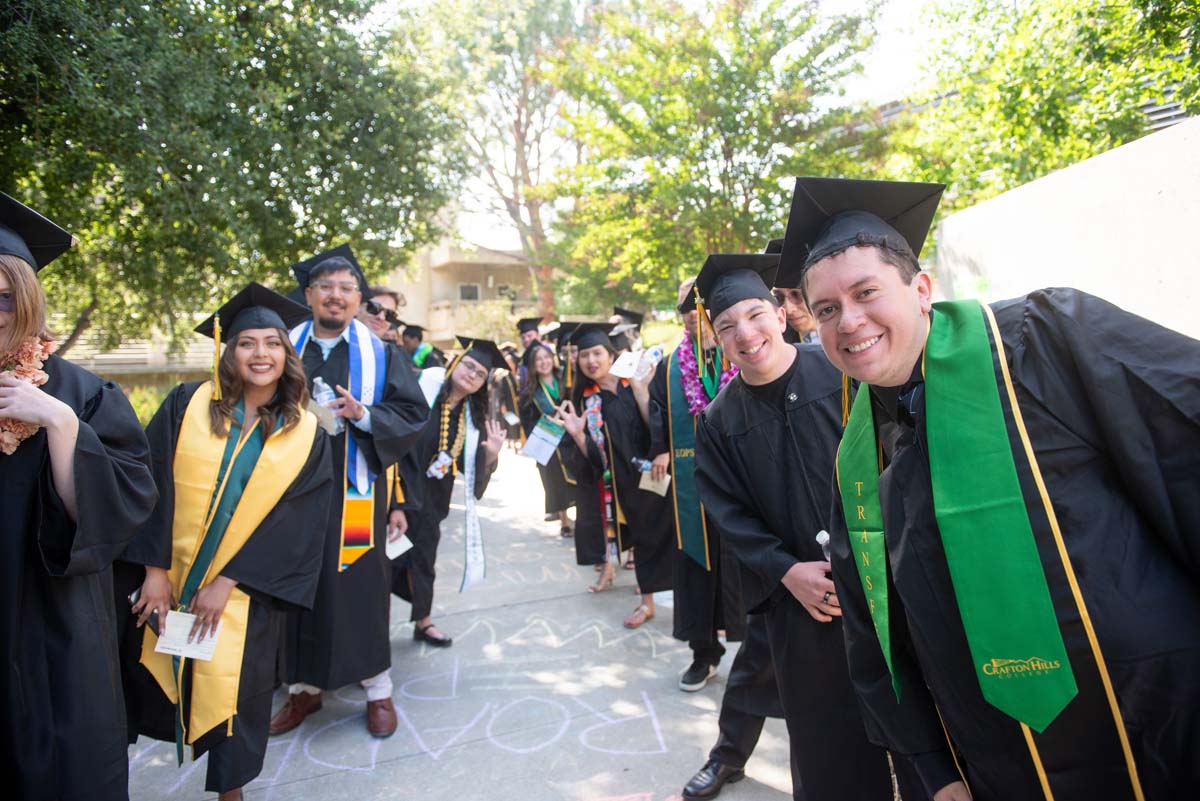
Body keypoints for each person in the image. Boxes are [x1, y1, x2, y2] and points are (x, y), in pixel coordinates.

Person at [784, 175, 1200, 801]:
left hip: (1161, 723)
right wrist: (934, 770)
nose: (850, 321)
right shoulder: (858, 461)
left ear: (921, 289)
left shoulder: (1045, 338)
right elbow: (873, 634)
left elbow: (1184, 434)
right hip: (1001, 762)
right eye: (826, 310)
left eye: (866, 292)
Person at [692, 253, 910, 801]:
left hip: (889, 588)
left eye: (754, 314)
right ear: (716, 339)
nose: (745, 334)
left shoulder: (844, 372)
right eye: (726, 326)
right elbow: (729, 515)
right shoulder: (719, 422)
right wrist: (787, 572)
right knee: (825, 743)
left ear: (781, 312)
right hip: (802, 609)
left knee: (914, 724)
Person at [116, 283, 332, 801]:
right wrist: (153, 570)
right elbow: (150, 482)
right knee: (136, 677)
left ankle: (230, 791)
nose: (261, 355)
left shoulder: (306, 432)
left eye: (272, 343)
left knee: (236, 692)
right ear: (227, 351)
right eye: (247, 343)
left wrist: (229, 582)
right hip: (164, 578)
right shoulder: (186, 405)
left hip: (242, 595)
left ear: (287, 353)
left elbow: (298, 520)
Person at [0, 193, 157, 801]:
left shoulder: (78, 391)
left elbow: (108, 515)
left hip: (54, 620)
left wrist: (62, 424)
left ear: (30, 297)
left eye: (6, 295)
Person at [269, 245, 430, 740]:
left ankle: (377, 691)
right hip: (289, 494)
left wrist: (364, 415)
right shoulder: (281, 348)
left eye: (346, 289)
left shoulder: (381, 354)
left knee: (359, 587)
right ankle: (303, 689)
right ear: (309, 295)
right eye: (326, 289)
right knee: (296, 585)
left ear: (358, 299)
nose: (335, 298)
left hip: (356, 493)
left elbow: (412, 417)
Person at [647, 277, 745, 692]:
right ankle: (703, 654)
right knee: (695, 563)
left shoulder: (742, 352)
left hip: (741, 477)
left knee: (748, 561)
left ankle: (765, 657)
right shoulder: (670, 366)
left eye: (698, 302)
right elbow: (658, 411)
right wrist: (659, 448)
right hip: (691, 483)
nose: (691, 311)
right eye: (684, 304)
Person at [392, 337, 506, 646]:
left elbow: (473, 469)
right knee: (385, 560)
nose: (472, 375)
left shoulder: (472, 417)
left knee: (424, 559)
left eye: (480, 374)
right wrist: (395, 502)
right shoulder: (423, 391)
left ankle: (423, 621)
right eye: (469, 366)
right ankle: (372, 626)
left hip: (432, 501)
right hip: (398, 492)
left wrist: (492, 454)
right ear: (456, 362)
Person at [559, 323, 674, 628]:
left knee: (678, 538)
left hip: (658, 471)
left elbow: (659, 421)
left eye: (596, 353)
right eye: (584, 355)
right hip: (624, 482)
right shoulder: (587, 401)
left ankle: (701, 607)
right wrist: (580, 436)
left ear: (610, 355)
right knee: (644, 541)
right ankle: (647, 604)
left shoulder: (634, 381)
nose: (590, 360)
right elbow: (595, 460)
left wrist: (640, 391)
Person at [518, 340, 576, 537]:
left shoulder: (566, 380)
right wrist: (549, 423)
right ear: (533, 366)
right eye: (538, 360)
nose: (543, 362)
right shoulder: (530, 392)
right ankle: (564, 520)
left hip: (571, 438)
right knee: (556, 481)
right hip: (549, 442)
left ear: (552, 359)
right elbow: (527, 422)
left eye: (546, 357)